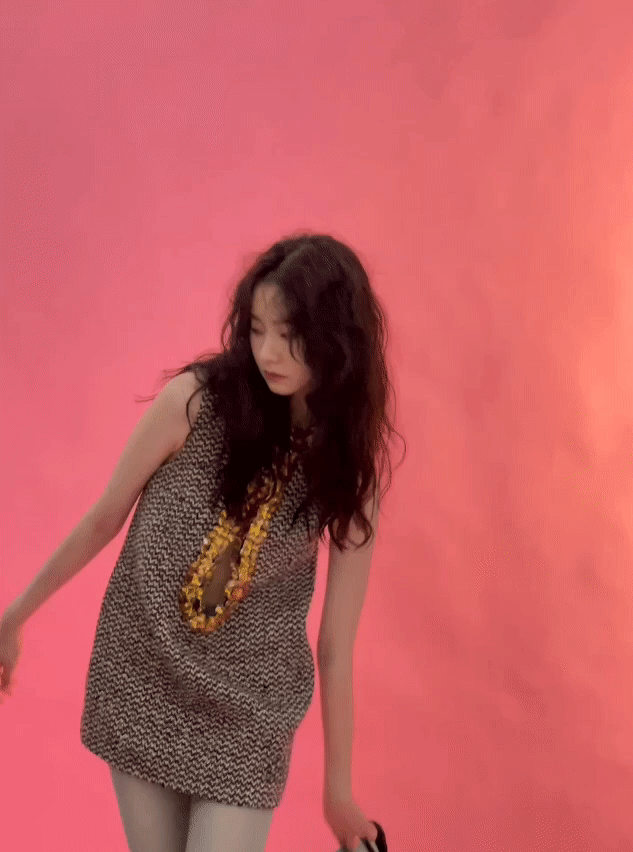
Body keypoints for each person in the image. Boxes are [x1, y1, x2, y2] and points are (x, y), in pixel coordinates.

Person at [0, 232, 405, 852]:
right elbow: (104, 518)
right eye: (257, 329)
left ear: (336, 341)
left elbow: (334, 645)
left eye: (290, 334)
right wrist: (14, 617)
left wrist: (338, 792)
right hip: (144, 674)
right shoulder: (195, 403)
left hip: (249, 708)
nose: (267, 351)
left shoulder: (348, 470)